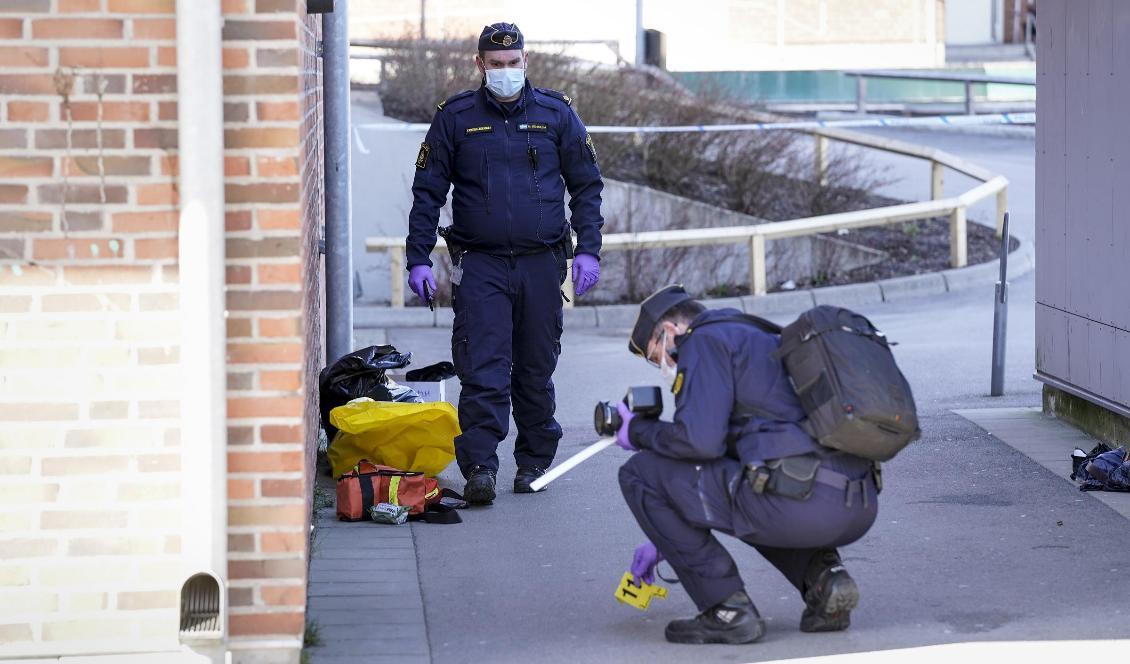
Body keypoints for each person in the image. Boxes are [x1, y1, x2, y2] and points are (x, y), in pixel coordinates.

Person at [404, 22, 604, 504]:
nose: (506, 72)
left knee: (535, 368)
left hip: (542, 262)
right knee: (483, 367)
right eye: (496, 65)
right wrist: (418, 258)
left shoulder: (556, 114)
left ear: (526, 60)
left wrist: (590, 248)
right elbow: (428, 191)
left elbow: (586, 186)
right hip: (482, 263)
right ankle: (479, 468)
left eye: (514, 63)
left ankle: (534, 462)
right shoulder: (455, 117)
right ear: (480, 65)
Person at [614, 285, 880, 644]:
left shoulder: (702, 341)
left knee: (641, 473)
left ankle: (727, 609)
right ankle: (824, 580)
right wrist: (668, 539)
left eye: (656, 354)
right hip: (856, 503)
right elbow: (731, 450)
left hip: (802, 506)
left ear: (672, 331)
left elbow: (699, 441)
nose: (663, 364)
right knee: (755, 484)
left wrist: (639, 431)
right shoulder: (760, 335)